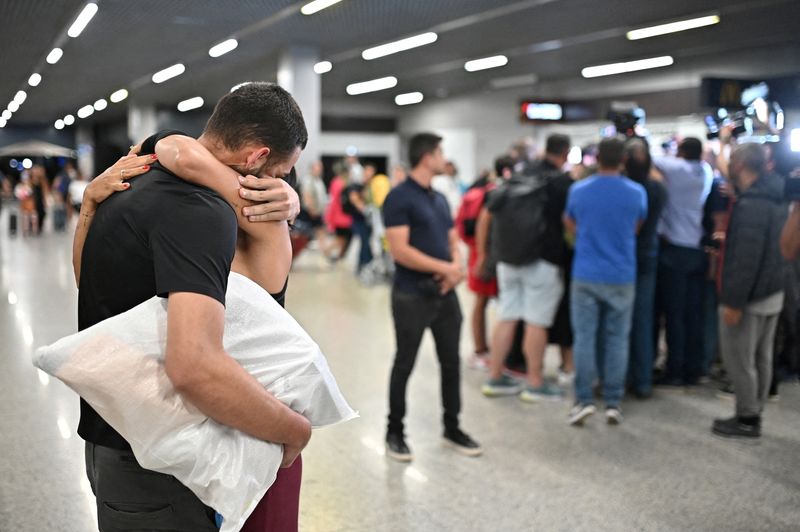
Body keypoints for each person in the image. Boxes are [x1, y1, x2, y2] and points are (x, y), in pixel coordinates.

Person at [73, 82, 312, 532]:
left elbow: (88, 284)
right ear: (258, 159)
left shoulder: (124, 181)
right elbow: (194, 367)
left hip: (112, 439)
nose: (280, 186)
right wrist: (296, 431)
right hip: (174, 449)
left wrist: (91, 201)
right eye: (282, 172)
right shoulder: (209, 213)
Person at [382, 133, 482, 461]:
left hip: (445, 295)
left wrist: (456, 267)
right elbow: (400, 250)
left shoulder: (439, 199)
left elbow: (452, 237)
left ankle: (452, 427)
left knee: (451, 363)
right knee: (405, 363)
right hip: (412, 295)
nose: (444, 158)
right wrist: (446, 268)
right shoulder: (399, 198)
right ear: (427, 157)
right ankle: (394, 431)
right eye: (440, 152)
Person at [480, 134, 573, 402]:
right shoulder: (561, 183)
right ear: (565, 153)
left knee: (507, 315)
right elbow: (570, 222)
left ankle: (495, 376)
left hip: (507, 258)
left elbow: (489, 212)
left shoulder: (519, 174)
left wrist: (485, 255)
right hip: (542, 260)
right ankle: (534, 382)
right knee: (536, 322)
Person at [564, 137, 647, 426]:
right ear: (624, 160)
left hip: (586, 271)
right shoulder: (637, 193)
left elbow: (570, 223)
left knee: (584, 338)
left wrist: (587, 237)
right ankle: (613, 401)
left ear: (596, 159)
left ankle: (584, 399)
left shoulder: (579, 190)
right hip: (622, 274)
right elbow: (637, 226)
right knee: (617, 339)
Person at [713, 143, 787, 439]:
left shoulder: (752, 205)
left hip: (749, 295)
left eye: (731, 160)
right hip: (774, 288)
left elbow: (746, 257)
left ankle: (746, 417)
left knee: (740, 360)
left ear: (741, 165)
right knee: (762, 357)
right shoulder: (776, 195)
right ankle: (756, 410)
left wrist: (734, 301)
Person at [653, 138, 714, 388]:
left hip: (675, 251)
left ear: (680, 152)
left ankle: (674, 370)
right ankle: (695, 368)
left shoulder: (677, 170)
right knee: (694, 314)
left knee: (675, 316)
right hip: (696, 250)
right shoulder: (706, 171)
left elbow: (650, 157)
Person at [624, 139, 667, 398]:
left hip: (623, 259)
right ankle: (642, 380)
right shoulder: (658, 190)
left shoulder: (626, 191)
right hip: (648, 256)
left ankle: (620, 376)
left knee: (619, 322)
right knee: (643, 320)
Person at [457, 157, 509, 369]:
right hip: (486, 256)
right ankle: (480, 350)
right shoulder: (492, 193)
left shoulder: (478, 191)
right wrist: (482, 256)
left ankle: (483, 350)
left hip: (479, 253)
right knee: (483, 303)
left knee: (483, 302)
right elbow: (483, 223)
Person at [298, 160, 330, 253]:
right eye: (317, 168)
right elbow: (307, 195)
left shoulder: (318, 180)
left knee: (321, 230)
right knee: (304, 233)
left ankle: (324, 250)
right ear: (312, 169)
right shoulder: (308, 180)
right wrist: (312, 209)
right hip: (310, 212)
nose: (319, 170)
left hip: (317, 211)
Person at [325, 162, 353, 262]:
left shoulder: (341, 182)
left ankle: (339, 256)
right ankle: (327, 251)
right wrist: (330, 217)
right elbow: (334, 202)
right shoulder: (338, 183)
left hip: (345, 216)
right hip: (340, 217)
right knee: (340, 238)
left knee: (344, 238)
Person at [30, 165, 49, 235]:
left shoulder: (42, 181)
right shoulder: (30, 181)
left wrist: (45, 201)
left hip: (40, 200)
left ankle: (39, 227)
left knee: (42, 213)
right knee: (33, 215)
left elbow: (45, 191)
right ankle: (33, 228)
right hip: (33, 200)